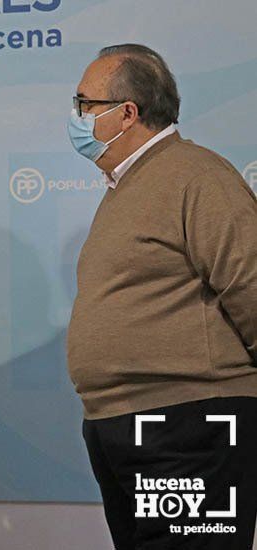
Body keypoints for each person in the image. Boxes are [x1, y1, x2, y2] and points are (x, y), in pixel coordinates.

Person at [66, 44, 257, 549]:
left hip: (190, 424)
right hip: (125, 424)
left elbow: (252, 286)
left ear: (126, 114)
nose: (76, 117)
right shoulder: (127, 186)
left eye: (84, 104)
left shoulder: (197, 176)